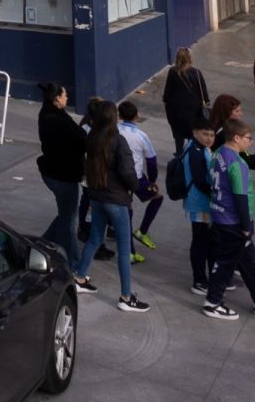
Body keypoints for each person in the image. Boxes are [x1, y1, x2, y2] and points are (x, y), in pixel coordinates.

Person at [72, 98, 151, 313]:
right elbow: (127, 172)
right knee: (124, 250)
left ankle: (80, 277)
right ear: (113, 117)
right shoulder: (118, 141)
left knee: (95, 237)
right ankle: (126, 296)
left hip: (96, 196)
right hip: (116, 200)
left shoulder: (93, 137)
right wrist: (135, 188)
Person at [201, 118, 255, 320]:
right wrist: (246, 226)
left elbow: (208, 182)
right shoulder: (238, 164)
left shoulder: (217, 155)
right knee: (225, 263)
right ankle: (212, 302)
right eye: (249, 138)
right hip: (234, 222)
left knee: (248, 262)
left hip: (220, 215)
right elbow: (240, 197)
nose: (251, 142)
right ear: (236, 138)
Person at [37, 82, 86, 268]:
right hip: (62, 176)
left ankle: (42, 244)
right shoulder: (56, 119)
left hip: (55, 173)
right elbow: (80, 138)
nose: (67, 98)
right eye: (65, 95)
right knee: (69, 221)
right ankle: (74, 263)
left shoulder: (50, 114)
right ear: (57, 98)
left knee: (65, 215)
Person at [118, 101, 164, 249]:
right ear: (137, 116)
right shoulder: (141, 136)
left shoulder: (114, 131)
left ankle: (128, 246)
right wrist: (152, 181)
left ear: (119, 116)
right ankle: (140, 234)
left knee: (126, 210)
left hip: (117, 177)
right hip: (136, 178)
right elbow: (151, 161)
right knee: (157, 197)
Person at [182, 122, 219, 295]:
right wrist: (216, 193)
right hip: (199, 203)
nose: (209, 138)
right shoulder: (195, 152)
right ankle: (199, 280)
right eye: (205, 134)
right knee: (200, 241)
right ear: (195, 132)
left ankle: (208, 276)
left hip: (201, 202)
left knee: (205, 241)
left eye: (212, 135)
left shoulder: (198, 147)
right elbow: (199, 180)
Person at [162, 47, 211, 154]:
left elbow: (167, 94)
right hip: (194, 112)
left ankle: (179, 156)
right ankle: (191, 155)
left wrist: (167, 103)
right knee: (192, 136)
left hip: (177, 112)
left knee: (178, 137)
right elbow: (205, 95)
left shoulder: (173, 72)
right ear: (189, 58)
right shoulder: (197, 73)